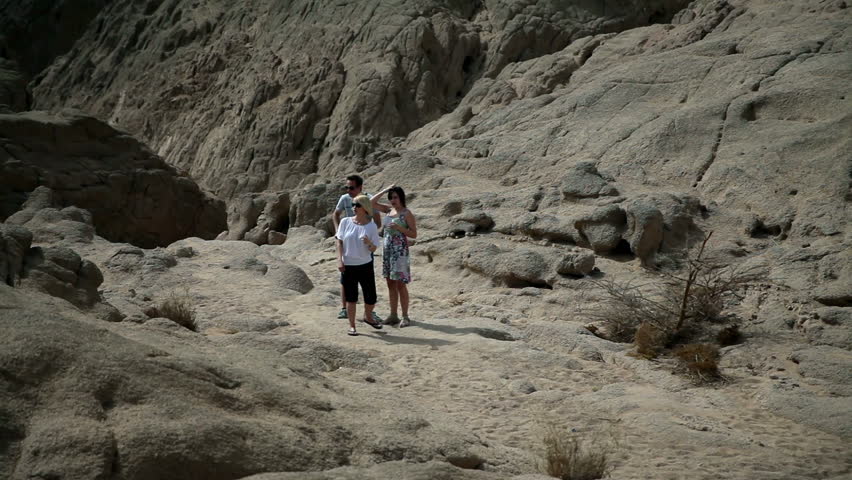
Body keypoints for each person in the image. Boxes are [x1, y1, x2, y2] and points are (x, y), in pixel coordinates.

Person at [332, 175, 382, 322]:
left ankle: (369, 312)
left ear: (360, 188)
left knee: (367, 281)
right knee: (345, 278)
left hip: (363, 243)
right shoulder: (345, 198)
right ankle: (344, 308)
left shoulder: (369, 200)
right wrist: (338, 231)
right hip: (347, 238)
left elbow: (377, 222)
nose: (349, 190)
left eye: (352, 188)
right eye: (347, 187)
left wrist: (368, 233)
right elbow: (335, 214)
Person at [371, 185, 417, 327]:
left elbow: (414, 234)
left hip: (400, 252)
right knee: (390, 282)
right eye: (391, 198)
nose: (392, 200)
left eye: (395, 197)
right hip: (388, 251)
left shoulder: (406, 213)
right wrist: (385, 190)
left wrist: (400, 228)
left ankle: (405, 316)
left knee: (400, 284)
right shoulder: (388, 210)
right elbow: (371, 202)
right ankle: (393, 315)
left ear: (401, 197)